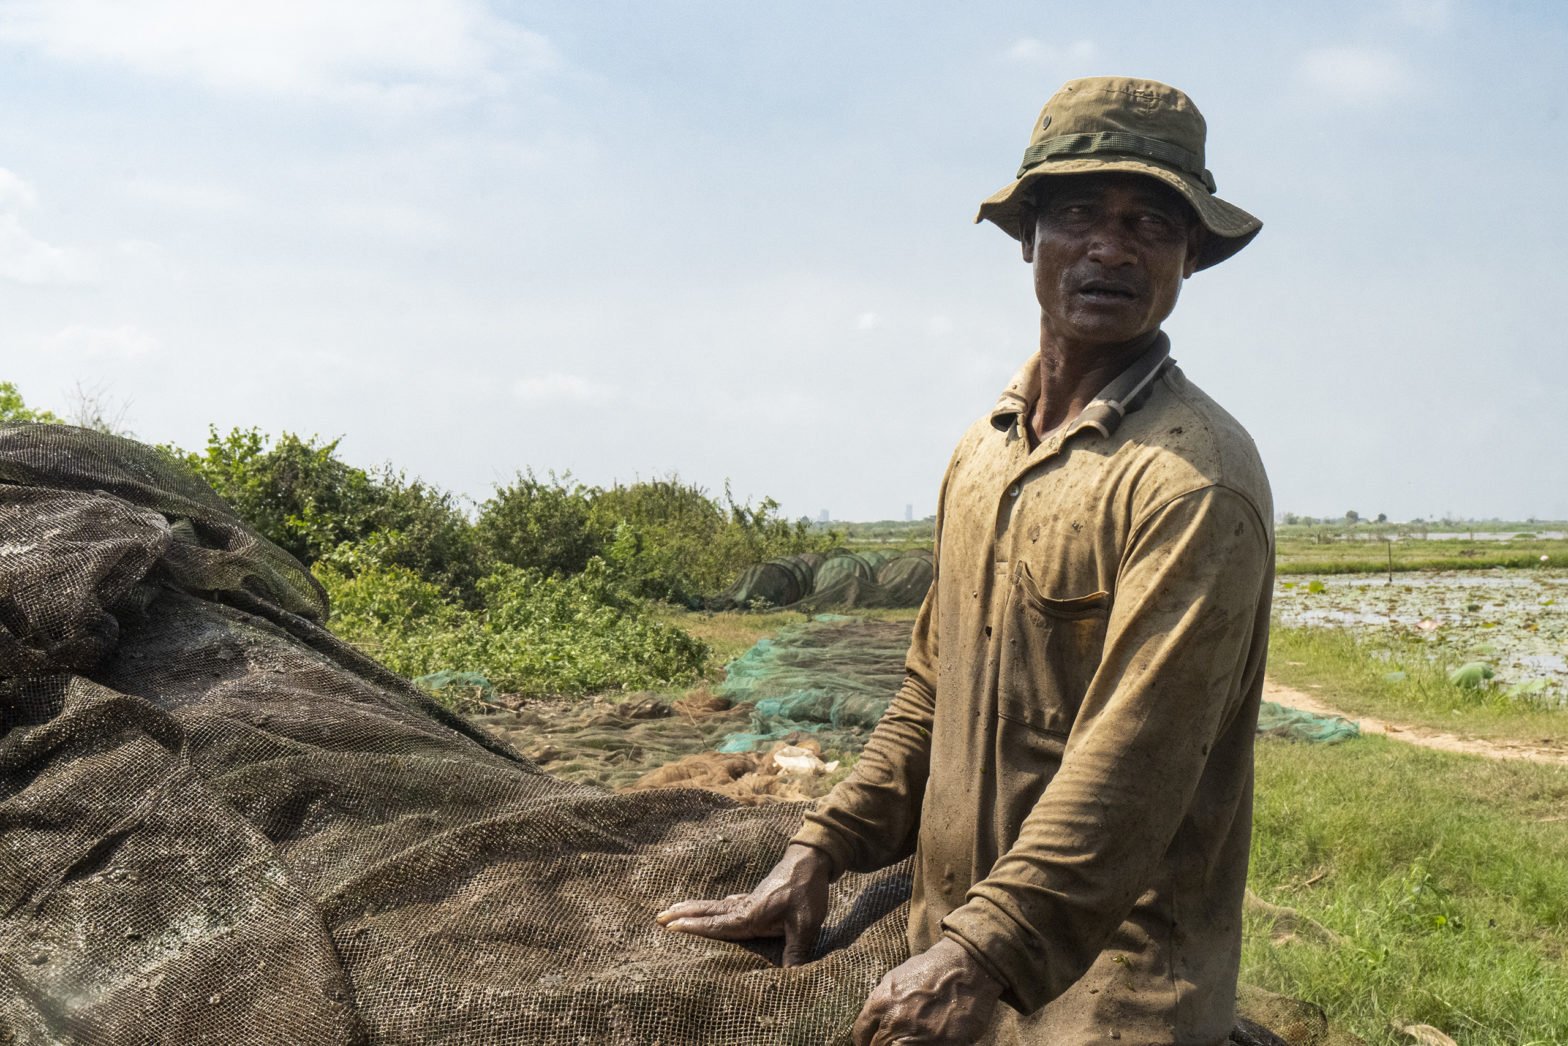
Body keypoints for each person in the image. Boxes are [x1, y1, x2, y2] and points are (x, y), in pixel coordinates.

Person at [658, 76, 1274, 1046]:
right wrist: (820, 846)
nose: (1109, 246)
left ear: (1188, 253)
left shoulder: (1193, 482)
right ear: (1028, 232)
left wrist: (977, 957)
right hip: (945, 931)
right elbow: (926, 694)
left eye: (1149, 221)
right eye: (1077, 212)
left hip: (1104, 983)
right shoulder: (984, 450)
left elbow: (1131, 768)